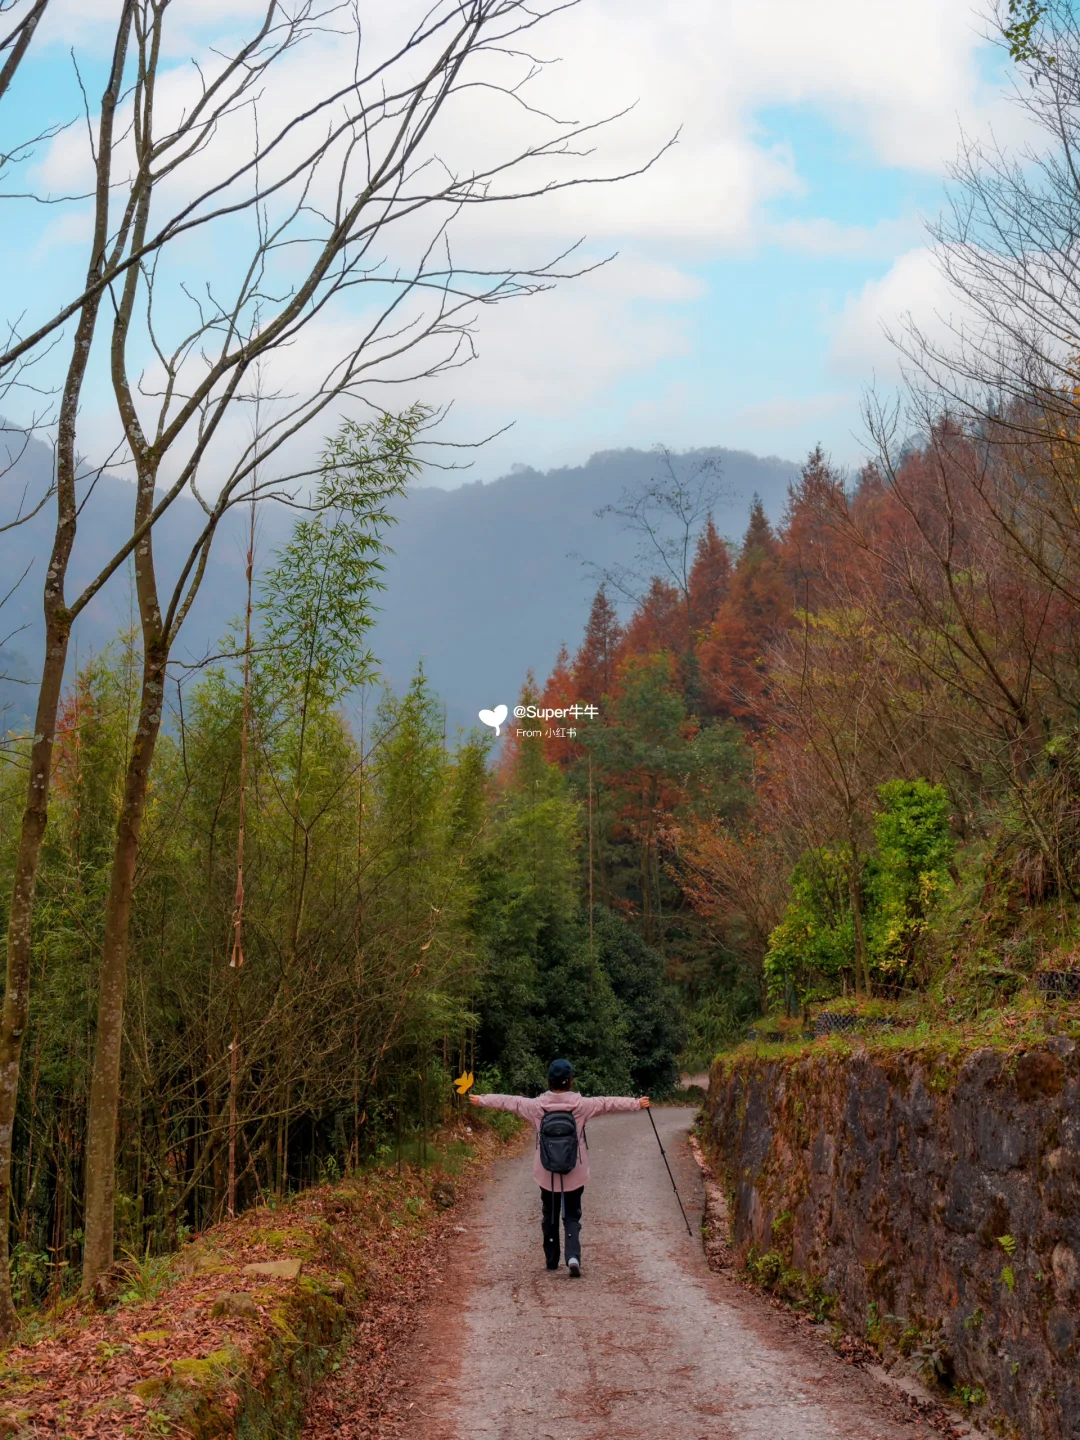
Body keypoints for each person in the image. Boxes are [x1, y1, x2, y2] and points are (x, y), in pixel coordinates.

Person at [470, 1057, 650, 1276]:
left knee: (550, 1213)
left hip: (546, 1171)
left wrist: (482, 1100)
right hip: (575, 1170)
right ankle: (573, 1257)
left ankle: (552, 1260)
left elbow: (511, 1102)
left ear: (549, 1081)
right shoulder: (583, 1105)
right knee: (572, 1214)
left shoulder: (535, 1106)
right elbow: (607, 1103)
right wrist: (636, 1103)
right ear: (570, 1081)